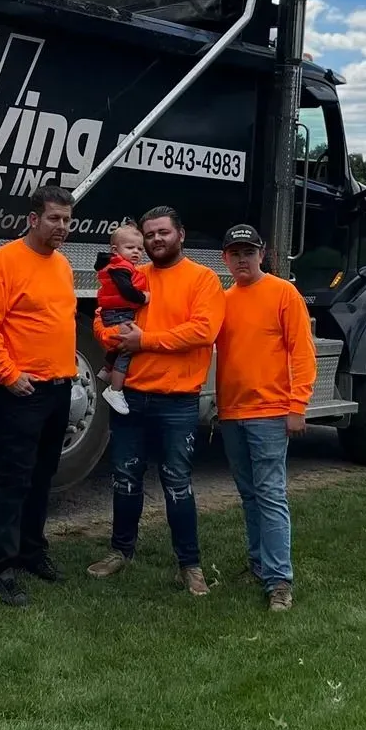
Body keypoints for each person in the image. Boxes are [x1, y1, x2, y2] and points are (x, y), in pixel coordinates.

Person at [87, 204, 224, 596]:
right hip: (130, 397)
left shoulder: (203, 279)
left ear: (180, 234)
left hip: (177, 401)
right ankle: (120, 551)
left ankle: (189, 564)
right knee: (125, 477)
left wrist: (144, 341)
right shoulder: (134, 276)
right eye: (149, 235)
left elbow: (202, 330)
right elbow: (102, 315)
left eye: (163, 232)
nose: (155, 240)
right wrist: (110, 337)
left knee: (177, 482)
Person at [0, 180, 78, 607]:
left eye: (67, 220)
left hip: (58, 388)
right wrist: (8, 374)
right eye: (54, 219)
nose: (61, 227)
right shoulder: (4, 262)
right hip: (22, 392)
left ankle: (33, 552)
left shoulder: (62, 265)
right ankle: (2, 571)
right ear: (33, 219)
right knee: (14, 480)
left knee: (42, 478)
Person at [214, 223, 317, 613]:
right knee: (250, 495)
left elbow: (302, 353)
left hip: (271, 414)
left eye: (249, 252)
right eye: (235, 253)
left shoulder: (282, 293)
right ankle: (259, 564)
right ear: (225, 258)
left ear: (263, 254)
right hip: (231, 413)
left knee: (271, 496)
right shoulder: (224, 300)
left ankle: (279, 582)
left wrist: (297, 407)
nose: (242, 259)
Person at [93, 221, 150, 414]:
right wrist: (143, 297)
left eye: (140, 249)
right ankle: (115, 390)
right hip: (119, 313)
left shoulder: (115, 264)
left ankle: (107, 369)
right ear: (115, 250)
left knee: (118, 345)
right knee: (126, 349)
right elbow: (126, 291)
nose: (136, 252)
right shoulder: (120, 267)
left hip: (114, 311)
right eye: (130, 247)